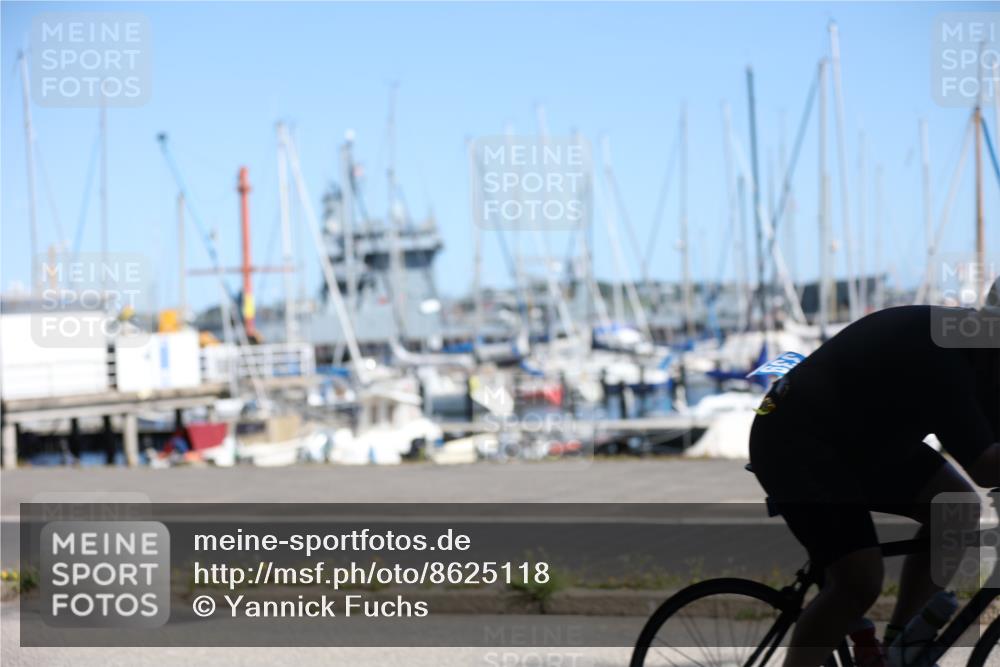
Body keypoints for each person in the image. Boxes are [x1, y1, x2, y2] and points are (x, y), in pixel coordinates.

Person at [749, 280, 1000, 666]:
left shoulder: (986, 357)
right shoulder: (944, 354)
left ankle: (899, 649)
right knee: (859, 581)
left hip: (862, 443)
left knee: (957, 508)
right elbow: (985, 465)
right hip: (796, 440)